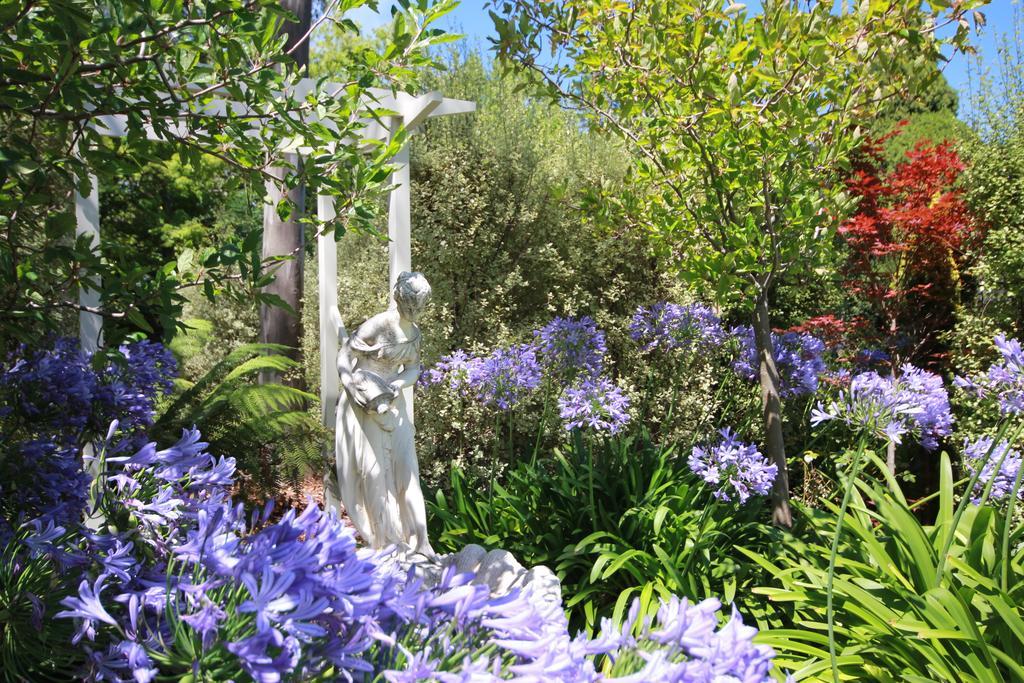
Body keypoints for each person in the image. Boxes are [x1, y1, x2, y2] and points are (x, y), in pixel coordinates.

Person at [334, 271, 433, 555]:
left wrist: (397, 384)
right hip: (364, 399)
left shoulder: (414, 333)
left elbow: (413, 367)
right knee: (375, 473)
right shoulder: (378, 325)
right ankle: (386, 542)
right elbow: (345, 355)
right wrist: (350, 385)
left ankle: (420, 541)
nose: (414, 312)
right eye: (409, 306)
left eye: (419, 307)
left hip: (393, 400)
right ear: (399, 299)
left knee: (407, 468)